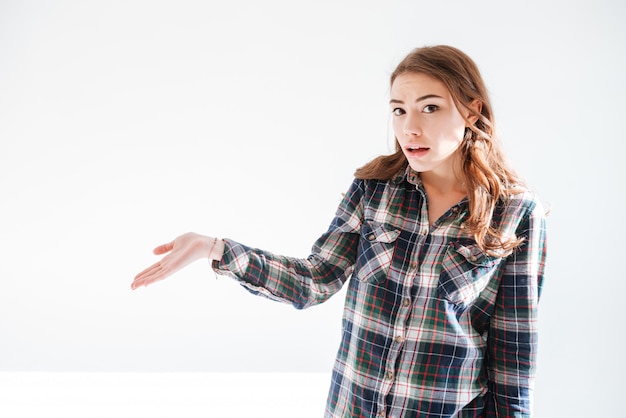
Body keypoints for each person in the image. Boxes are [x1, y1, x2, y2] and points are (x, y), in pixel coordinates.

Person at [132, 45, 547, 417]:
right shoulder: (373, 189)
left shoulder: (516, 211)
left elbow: (513, 350)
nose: (410, 127)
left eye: (430, 107)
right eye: (399, 109)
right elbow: (315, 279)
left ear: (472, 111)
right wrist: (216, 248)